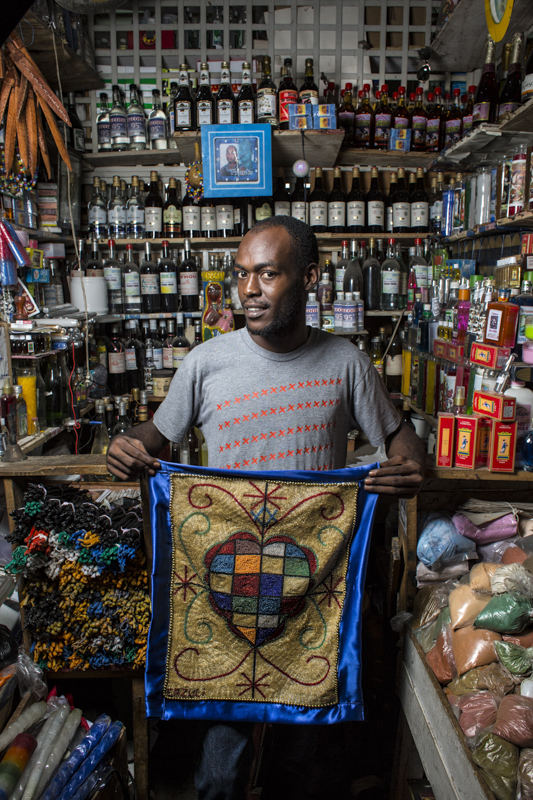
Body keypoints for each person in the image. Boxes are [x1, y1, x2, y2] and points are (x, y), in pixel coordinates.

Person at [107, 215, 425, 800]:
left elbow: (401, 436)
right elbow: (153, 439)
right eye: (241, 275)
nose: (248, 290)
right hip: (225, 590)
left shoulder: (346, 363)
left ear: (308, 278)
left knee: (304, 770)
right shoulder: (206, 363)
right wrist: (123, 450)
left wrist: (408, 464)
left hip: (312, 597)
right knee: (220, 767)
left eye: (267, 274)